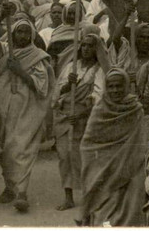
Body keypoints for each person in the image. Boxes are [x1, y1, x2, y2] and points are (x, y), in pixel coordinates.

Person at [0, 18, 55, 212]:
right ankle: (9, 187)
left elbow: (41, 86)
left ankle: (22, 192)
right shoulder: (5, 53)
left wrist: (19, 71)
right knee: (6, 149)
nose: (22, 36)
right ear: (12, 34)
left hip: (28, 109)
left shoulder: (38, 57)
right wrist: (0, 16)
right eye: (18, 32)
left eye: (26, 32)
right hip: (5, 107)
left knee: (21, 148)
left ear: (32, 35)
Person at [79, 68, 146, 226]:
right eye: (111, 86)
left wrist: (126, 163)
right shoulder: (99, 110)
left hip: (130, 167)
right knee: (103, 212)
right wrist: (100, 163)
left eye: (119, 86)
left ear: (127, 86)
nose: (115, 90)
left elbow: (140, 142)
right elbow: (87, 144)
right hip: (102, 169)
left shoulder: (135, 109)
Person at [53, 26, 107, 211]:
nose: (86, 49)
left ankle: (90, 195)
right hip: (65, 116)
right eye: (83, 45)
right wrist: (69, 84)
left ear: (97, 49)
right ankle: (68, 196)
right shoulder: (71, 67)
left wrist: (83, 113)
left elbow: (99, 95)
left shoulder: (98, 71)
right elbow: (58, 92)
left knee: (85, 157)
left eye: (90, 46)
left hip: (86, 117)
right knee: (64, 156)